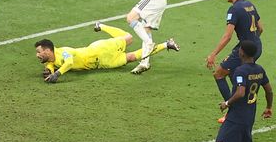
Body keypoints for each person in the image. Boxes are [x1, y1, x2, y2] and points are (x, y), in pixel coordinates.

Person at [212, 40, 272, 142]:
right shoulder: (260, 70)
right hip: (249, 116)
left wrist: (226, 103)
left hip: (236, 117)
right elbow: (269, 90)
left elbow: (240, 92)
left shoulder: (240, 71)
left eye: (239, 49)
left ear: (242, 53)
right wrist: (268, 107)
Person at [35, 22, 179, 83]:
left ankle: (101, 25)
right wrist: (49, 72)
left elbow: (69, 62)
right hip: (103, 64)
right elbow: (50, 65)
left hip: (100, 49)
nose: (37, 55)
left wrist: (57, 74)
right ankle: (167, 44)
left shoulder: (64, 51)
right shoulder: (51, 60)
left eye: (39, 52)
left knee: (128, 38)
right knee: (131, 57)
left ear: (48, 50)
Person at [206, 0, 263, 112]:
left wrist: (213, 54)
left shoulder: (234, 9)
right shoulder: (250, 4)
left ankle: (233, 108)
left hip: (245, 50)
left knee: (219, 74)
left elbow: (227, 36)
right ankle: (244, 101)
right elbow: (260, 28)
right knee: (235, 74)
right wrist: (252, 40)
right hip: (257, 47)